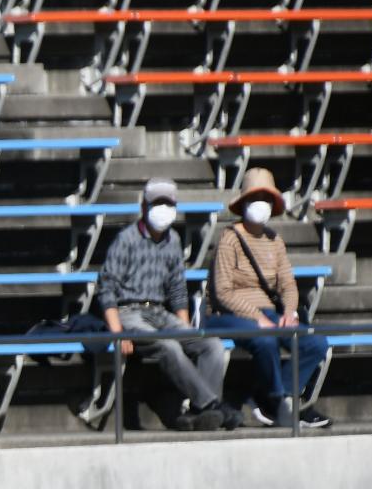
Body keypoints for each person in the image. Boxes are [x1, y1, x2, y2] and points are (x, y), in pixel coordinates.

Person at [98, 178, 235, 432]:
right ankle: (211, 405)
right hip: (129, 312)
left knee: (211, 346)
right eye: (157, 203)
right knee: (168, 347)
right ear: (144, 207)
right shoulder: (125, 240)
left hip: (160, 311)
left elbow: (176, 288)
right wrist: (117, 332)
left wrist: (186, 329)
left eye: (167, 203)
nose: (162, 208)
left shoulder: (172, 240)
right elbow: (106, 287)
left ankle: (198, 412)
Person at [202, 169, 332, 431]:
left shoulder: (275, 240)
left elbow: (288, 284)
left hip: (269, 312)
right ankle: (276, 400)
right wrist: (257, 317)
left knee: (315, 343)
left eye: (266, 197)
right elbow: (223, 292)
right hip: (227, 315)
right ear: (244, 203)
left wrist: (289, 311)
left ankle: (276, 396)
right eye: (255, 197)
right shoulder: (230, 239)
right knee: (264, 339)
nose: (261, 203)